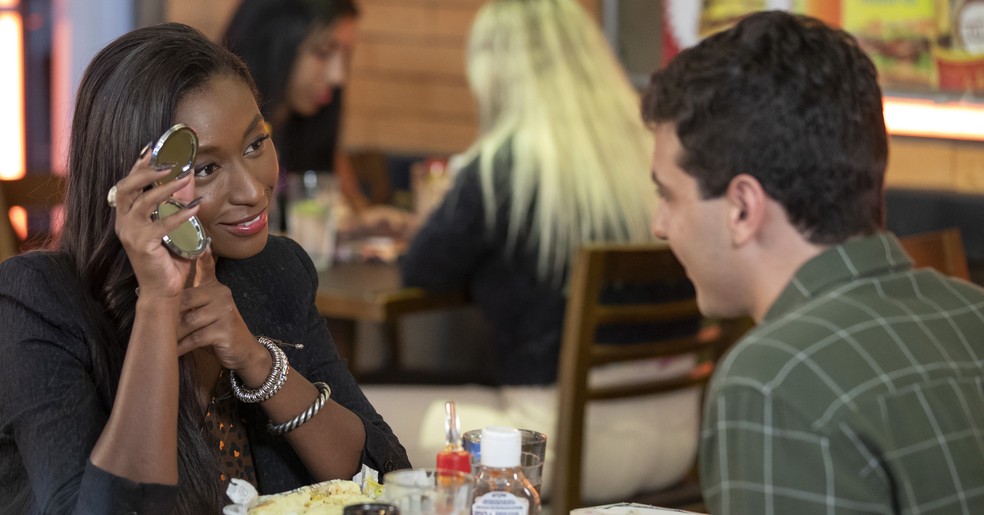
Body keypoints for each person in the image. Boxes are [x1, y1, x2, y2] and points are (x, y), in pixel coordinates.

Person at [0, 23, 409, 514]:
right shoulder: (39, 301)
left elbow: (382, 475)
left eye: (256, 144)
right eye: (206, 169)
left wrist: (256, 361)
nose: (252, 190)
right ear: (132, 188)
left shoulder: (274, 271)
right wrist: (158, 301)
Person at [642, 10, 984, 514]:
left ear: (742, 207)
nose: (659, 225)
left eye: (669, 196)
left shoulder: (771, 382)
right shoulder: (972, 311)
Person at [369, 0, 698, 501]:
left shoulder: (506, 168)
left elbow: (424, 269)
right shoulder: (646, 154)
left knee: (346, 412)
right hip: (679, 433)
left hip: (553, 449)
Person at [223, 0, 378, 219]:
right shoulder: (221, 135)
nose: (338, 76)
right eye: (323, 53)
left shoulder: (313, 127)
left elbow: (355, 209)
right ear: (274, 43)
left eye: (346, 56)